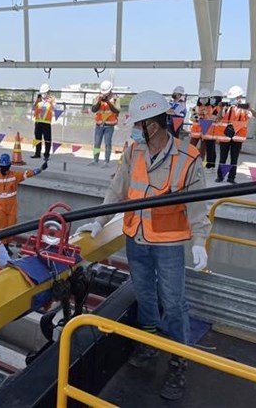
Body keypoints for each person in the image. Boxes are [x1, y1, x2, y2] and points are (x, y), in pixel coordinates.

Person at [77, 90, 210, 401]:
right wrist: (98, 220)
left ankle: (178, 360)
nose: (134, 129)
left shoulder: (187, 158)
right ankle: (150, 343)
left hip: (167, 243)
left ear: (152, 124)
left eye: (138, 123)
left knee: (174, 302)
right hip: (135, 238)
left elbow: (198, 206)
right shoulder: (133, 152)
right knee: (146, 296)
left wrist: (200, 242)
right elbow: (117, 189)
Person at [0, 153, 47, 246]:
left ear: (9, 166)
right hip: (0, 206)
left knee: (11, 226)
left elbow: (26, 174)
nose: (3, 169)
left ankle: (6, 244)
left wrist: (40, 169)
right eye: (2, 167)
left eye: (5, 167)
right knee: (1, 226)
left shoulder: (15, 175)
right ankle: (3, 246)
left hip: (12, 206)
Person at [215, 86, 256, 184]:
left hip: (237, 138)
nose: (234, 99)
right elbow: (218, 119)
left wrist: (250, 108)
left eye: (236, 97)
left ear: (240, 97)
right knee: (222, 158)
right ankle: (220, 176)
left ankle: (231, 178)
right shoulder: (226, 106)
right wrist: (221, 108)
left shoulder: (244, 108)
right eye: (232, 97)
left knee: (234, 159)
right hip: (225, 137)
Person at [89, 80, 119, 167]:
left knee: (107, 143)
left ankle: (106, 161)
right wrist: (99, 101)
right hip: (99, 124)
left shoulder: (115, 98)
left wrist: (108, 102)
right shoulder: (97, 97)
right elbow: (93, 109)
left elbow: (117, 110)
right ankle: (95, 159)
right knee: (97, 143)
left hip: (109, 125)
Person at [31, 83, 56, 161]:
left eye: (45, 93)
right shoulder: (38, 100)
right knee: (37, 138)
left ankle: (46, 155)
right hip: (38, 122)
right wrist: (36, 101)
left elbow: (56, 108)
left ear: (48, 92)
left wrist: (50, 101)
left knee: (47, 139)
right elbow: (33, 108)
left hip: (46, 123)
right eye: (42, 93)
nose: (43, 95)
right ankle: (37, 153)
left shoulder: (52, 100)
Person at [203, 89, 224, 172]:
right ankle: (212, 166)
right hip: (210, 131)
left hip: (213, 132)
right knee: (212, 149)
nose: (211, 99)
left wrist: (206, 114)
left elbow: (215, 118)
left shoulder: (218, 108)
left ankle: (209, 166)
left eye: (213, 98)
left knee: (210, 149)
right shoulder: (213, 108)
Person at [189, 88, 213, 159]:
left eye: (205, 98)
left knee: (203, 150)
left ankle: (200, 163)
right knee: (191, 148)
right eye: (202, 98)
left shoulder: (210, 108)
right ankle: (189, 160)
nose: (203, 100)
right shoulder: (195, 107)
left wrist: (205, 115)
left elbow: (211, 119)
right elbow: (192, 118)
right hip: (195, 132)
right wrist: (196, 117)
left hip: (205, 131)